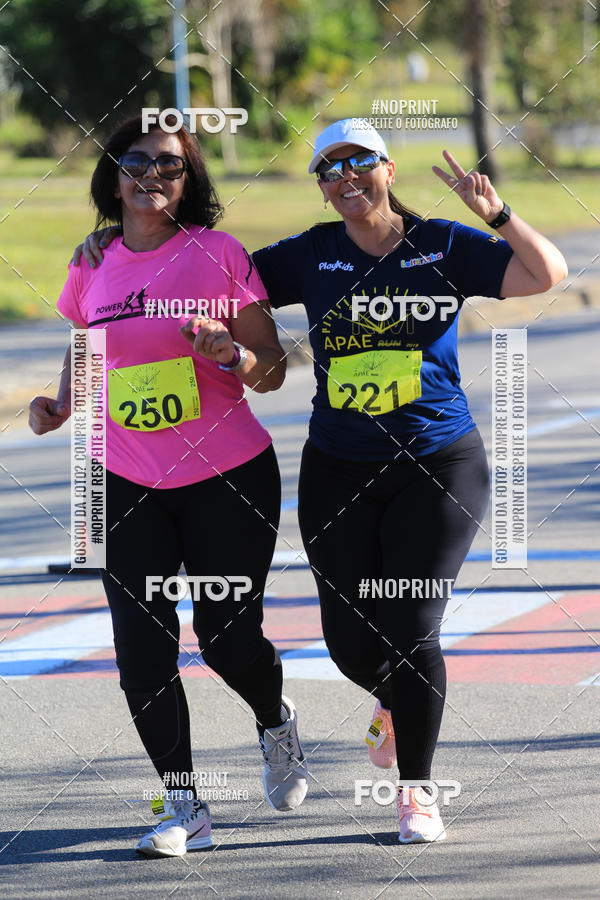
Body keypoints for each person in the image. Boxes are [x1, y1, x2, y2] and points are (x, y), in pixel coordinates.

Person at [72, 117, 568, 844]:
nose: (345, 179)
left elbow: (546, 274)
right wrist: (111, 243)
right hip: (339, 466)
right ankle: (393, 702)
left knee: (410, 623)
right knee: (350, 646)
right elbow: (215, 270)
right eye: (329, 170)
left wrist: (494, 213)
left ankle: (417, 794)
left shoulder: (443, 245)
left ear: (387, 168)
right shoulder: (312, 254)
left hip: (437, 462)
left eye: (359, 162)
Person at [29, 115, 309, 859]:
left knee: (225, 640)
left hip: (228, 475)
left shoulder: (217, 255)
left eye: (171, 166)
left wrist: (232, 355)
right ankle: (183, 808)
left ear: (190, 184)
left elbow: (274, 369)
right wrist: (62, 404)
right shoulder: (92, 260)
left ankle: (274, 716)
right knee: (142, 652)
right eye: (136, 161)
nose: (151, 174)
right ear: (114, 175)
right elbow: (87, 344)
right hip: (122, 479)